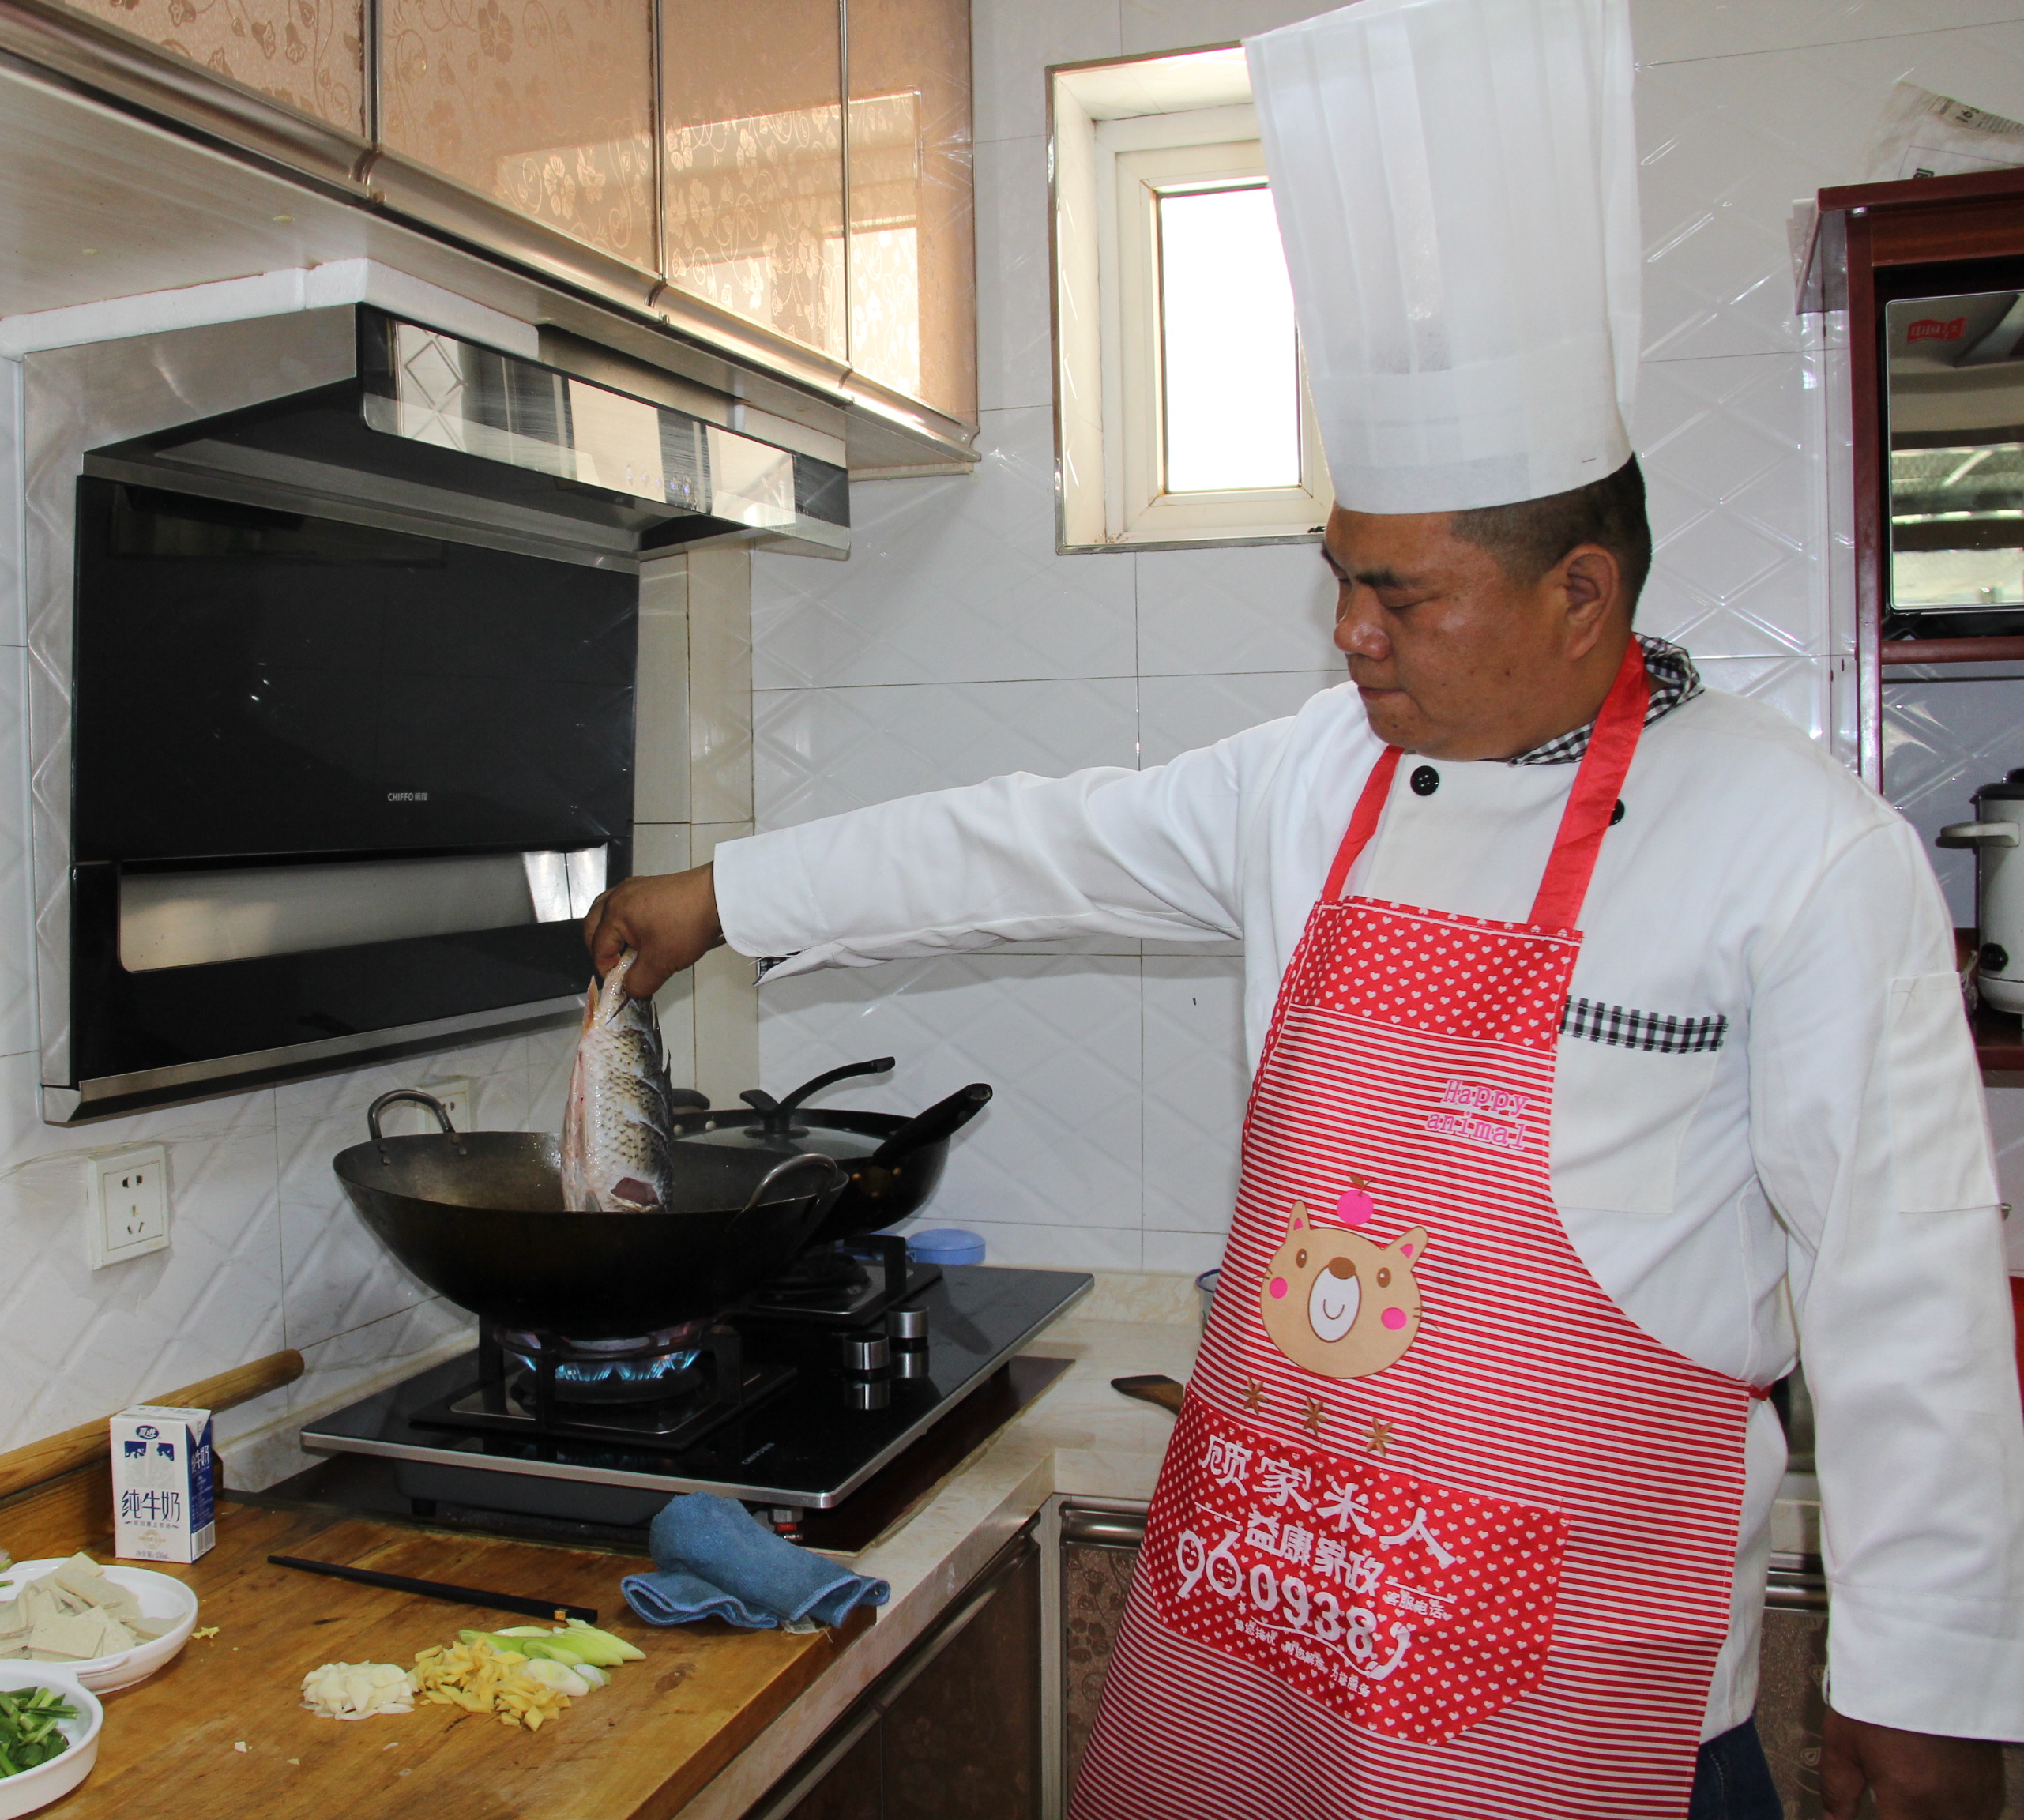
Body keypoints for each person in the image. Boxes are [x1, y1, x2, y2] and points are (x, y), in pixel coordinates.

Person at [585, 2, 2024, 1814]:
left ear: (1581, 595)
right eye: (1342, 577)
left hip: (1582, 1680)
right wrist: (727, 893)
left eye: (1404, 596)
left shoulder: (1795, 846)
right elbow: (1031, 847)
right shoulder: (1312, 779)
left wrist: (1929, 1680)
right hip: (1270, 1623)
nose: (1351, 631)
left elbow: (1906, 1286)